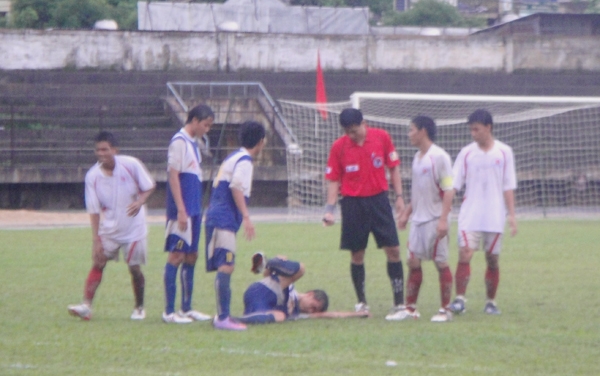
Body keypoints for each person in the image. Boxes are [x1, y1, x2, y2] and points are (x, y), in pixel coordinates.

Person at [323, 108, 413, 320]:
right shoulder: (339, 147)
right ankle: (361, 302)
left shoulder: (381, 137)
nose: (351, 135)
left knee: (393, 250)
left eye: (354, 130)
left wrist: (399, 197)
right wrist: (329, 210)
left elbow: (393, 168)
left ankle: (399, 303)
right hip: (353, 205)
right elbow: (334, 179)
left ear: (363, 123)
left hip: (379, 202)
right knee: (357, 254)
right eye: (347, 132)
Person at [68, 131, 155, 320]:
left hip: (134, 229)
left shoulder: (131, 165)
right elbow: (93, 209)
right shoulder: (92, 176)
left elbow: (149, 186)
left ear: (115, 150)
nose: (101, 153)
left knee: (134, 268)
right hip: (109, 229)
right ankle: (86, 306)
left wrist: (140, 201)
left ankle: (139, 307)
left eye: (105, 149)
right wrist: (96, 240)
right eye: (98, 150)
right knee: (98, 262)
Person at [448, 109, 518, 316]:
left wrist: (512, 215)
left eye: (476, 129)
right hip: (470, 213)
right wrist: (445, 208)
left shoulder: (504, 152)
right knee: (465, 253)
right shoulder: (466, 153)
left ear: (489, 128)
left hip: (495, 215)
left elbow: (508, 185)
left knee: (492, 259)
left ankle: (491, 302)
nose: (473, 133)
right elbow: (454, 183)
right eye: (471, 130)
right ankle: (459, 299)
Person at [204, 121, 266, 331]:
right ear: (261, 141)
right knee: (227, 265)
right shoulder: (245, 161)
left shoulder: (233, 156)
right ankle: (223, 318)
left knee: (226, 265)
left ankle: (223, 316)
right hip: (224, 218)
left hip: (218, 216)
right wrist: (246, 216)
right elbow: (236, 186)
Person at [397, 116, 455, 322]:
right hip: (418, 221)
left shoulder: (440, 157)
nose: (409, 134)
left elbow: (449, 190)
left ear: (423, 131)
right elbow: (417, 193)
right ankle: (410, 309)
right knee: (412, 262)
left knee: (441, 263)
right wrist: (406, 214)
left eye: (411, 130)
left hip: (434, 219)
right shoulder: (417, 157)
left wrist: (443, 220)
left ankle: (445, 310)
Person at [163, 104, 214, 324]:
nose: (207, 129)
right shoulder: (179, 142)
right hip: (182, 210)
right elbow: (173, 176)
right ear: (194, 121)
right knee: (176, 255)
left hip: (194, 209)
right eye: (206, 124)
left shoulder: (193, 144)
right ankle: (169, 311)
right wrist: (181, 210)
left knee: (191, 256)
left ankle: (186, 307)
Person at [235, 253, 370, 324]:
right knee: (300, 269)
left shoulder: (298, 313)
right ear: (310, 294)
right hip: (262, 290)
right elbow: (266, 279)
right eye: (314, 306)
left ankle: (232, 319)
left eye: (314, 311)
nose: (311, 311)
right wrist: (279, 262)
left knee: (280, 317)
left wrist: (356, 314)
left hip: (260, 304)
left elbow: (330, 315)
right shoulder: (291, 288)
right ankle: (271, 263)